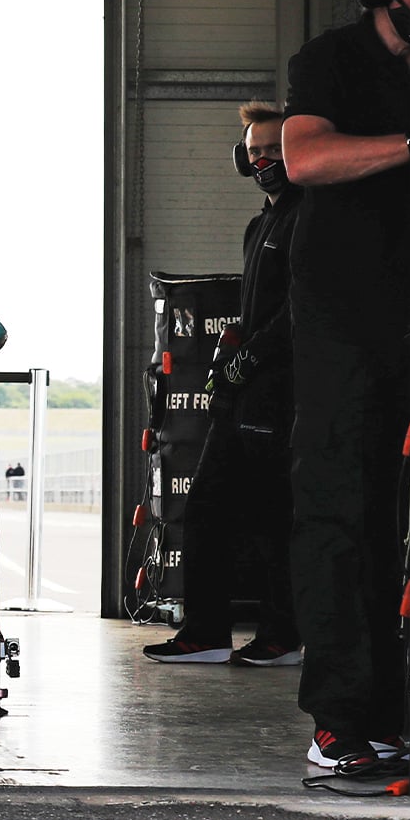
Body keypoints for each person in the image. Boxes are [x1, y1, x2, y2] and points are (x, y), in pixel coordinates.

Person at [280, 0, 410, 770]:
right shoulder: (329, 59)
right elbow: (304, 157)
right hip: (345, 316)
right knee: (341, 509)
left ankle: (400, 708)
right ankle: (339, 718)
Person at [145, 102, 303, 668]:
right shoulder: (260, 225)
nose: (262, 161)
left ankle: (282, 637)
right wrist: (231, 348)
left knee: (272, 516)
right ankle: (206, 634)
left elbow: (301, 309)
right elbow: (256, 310)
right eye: (254, 151)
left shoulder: (309, 220)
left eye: (273, 150)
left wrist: (253, 354)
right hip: (243, 392)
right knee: (207, 507)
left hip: (282, 395)